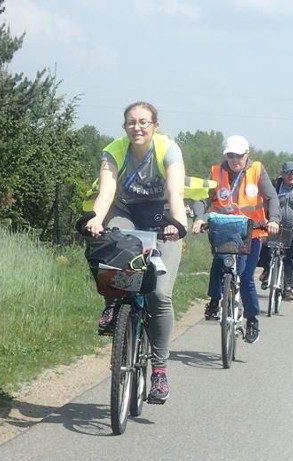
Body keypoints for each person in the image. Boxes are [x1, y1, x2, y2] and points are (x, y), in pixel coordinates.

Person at [85, 101, 187, 403]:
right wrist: (96, 219)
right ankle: (113, 304)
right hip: (126, 210)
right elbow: (106, 192)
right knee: (107, 244)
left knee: (159, 295)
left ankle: (159, 370)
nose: (137, 127)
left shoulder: (168, 149)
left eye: (144, 122)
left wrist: (178, 223)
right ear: (124, 126)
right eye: (131, 122)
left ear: (155, 125)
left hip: (162, 215)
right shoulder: (114, 150)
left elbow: (175, 192)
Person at [192, 135, 280, 344]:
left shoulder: (257, 170)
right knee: (218, 264)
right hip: (225, 229)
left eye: (239, 156)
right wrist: (199, 218)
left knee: (246, 276)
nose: (234, 160)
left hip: (253, 231)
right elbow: (202, 199)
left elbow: (272, 197)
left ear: (246, 155)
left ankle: (251, 320)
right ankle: (214, 301)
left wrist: (274, 219)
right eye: (230, 155)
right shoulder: (216, 171)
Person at [257, 161, 293, 300]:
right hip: (275, 224)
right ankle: (267, 271)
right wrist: (264, 218)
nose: (291, 175)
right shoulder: (276, 185)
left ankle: (288, 287)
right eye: (288, 173)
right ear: (282, 174)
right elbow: (265, 201)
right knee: (266, 248)